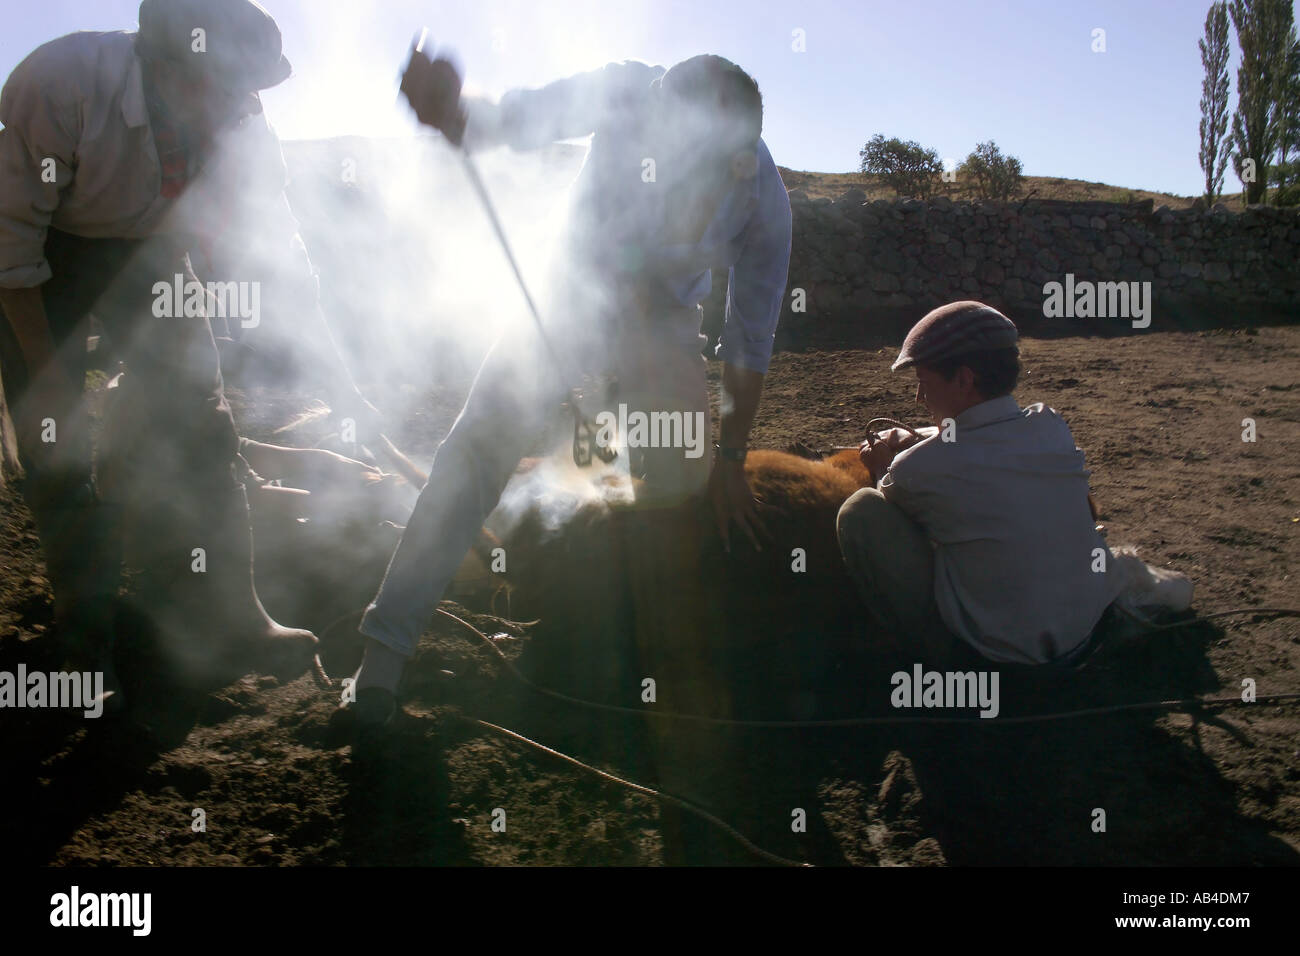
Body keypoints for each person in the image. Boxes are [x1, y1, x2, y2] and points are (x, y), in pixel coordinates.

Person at [343, 50, 793, 725]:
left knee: (679, 478)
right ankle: (381, 660)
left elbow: (750, 336)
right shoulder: (621, 93)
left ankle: (633, 647)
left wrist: (731, 458)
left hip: (667, 318)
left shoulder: (765, 200)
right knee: (477, 449)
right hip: (566, 289)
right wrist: (455, 113)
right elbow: (518, 118)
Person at [0, 0, 377, 706]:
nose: (236, 105)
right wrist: (50, 381)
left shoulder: (240, 123)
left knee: (205, 424)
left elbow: (283, 258)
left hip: (148, 253)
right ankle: (83, 646)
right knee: (56, 444)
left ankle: (235, 617)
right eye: (220, 83)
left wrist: (342, 379)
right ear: (161, 65)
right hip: (41, 260)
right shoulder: (61, 85)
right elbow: (11, 248)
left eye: (246, 88)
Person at [837, 300, 1124, 669]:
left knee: (860, 510)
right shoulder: (1049, 425)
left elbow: (899, 494)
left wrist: (881, 465)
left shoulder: (918, 468)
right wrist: (918, 437)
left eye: (923, 382)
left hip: (1000, 654)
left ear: (964, 379)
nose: (919, 398)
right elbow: (986, 437)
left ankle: (929, 653)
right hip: (1083, 630)